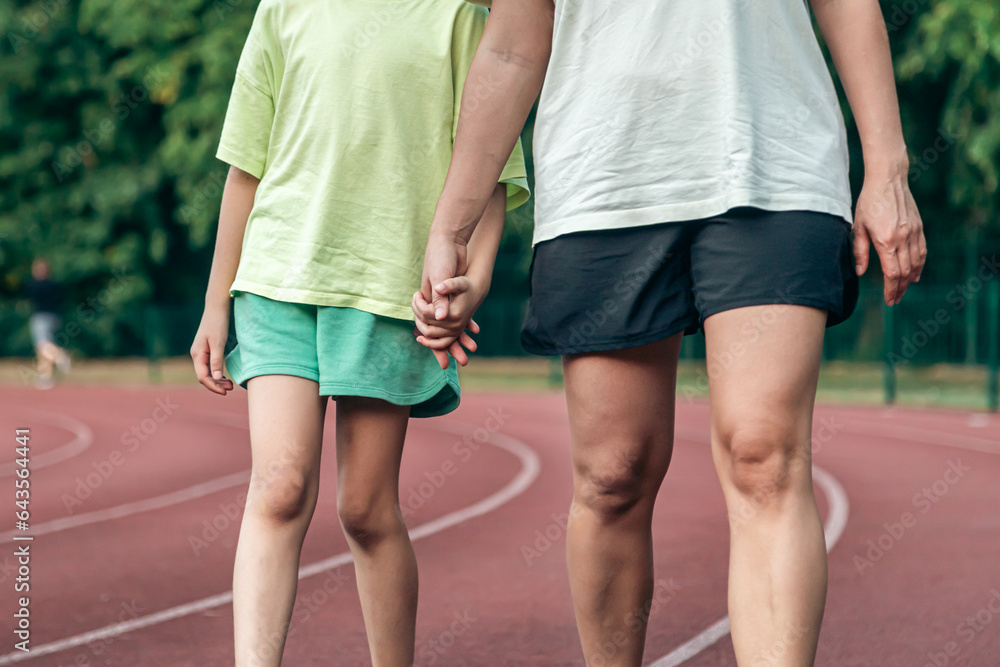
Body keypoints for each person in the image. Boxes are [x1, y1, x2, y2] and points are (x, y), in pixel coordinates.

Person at [415, 0, 926, 665]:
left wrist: (887, 169)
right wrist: (449, 229)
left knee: (764, 455)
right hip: (603, 181)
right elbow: (512, 46)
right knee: (611, 475)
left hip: (773, 161)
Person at [189, 1, 528, 664]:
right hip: (277, 279)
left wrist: (474, 279)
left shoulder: (459, 15)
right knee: (280, 485)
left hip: (386, 290)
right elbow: (245, 168)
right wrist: (215, 301)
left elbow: (491, 172)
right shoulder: (282, 8)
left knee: (367, 509)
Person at [24, 258, 71, 389]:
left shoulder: (34, 285)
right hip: (55, 317)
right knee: (42, 349)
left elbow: (28, 299)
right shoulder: (55, 285)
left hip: (41, 317)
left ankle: (59, 356)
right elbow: (62, 300)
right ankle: (46, 377)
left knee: (42, 345)